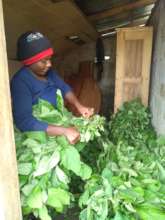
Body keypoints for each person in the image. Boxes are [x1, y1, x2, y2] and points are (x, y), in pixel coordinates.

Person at [11, 31, 94, 144]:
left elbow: (64, 88)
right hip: (41, 136)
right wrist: (63, 131)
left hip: (59, 123)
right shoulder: (20, 82)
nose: (49, 64)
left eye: (49, 59)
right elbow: (24, 121)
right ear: (29, 62)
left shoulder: (48, 72)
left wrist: (79, 106)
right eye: (44, 61)